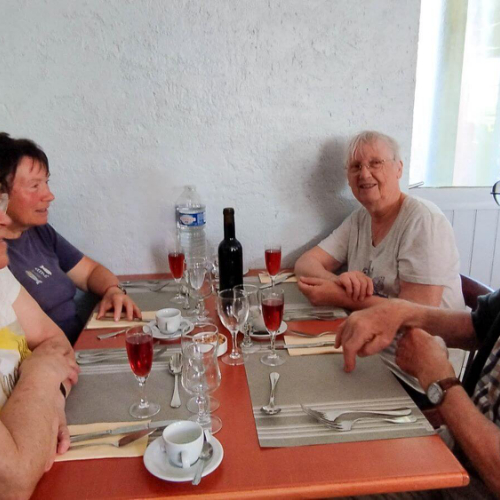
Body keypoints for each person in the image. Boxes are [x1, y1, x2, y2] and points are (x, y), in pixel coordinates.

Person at [294, 130, 464, 312]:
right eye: (356, 166)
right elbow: (305, 263)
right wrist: (338, 282)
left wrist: (342, 297)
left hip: (428, 331)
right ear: (348, 179)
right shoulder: (359, 219)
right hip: (374, 325)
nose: (364, 174)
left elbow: (418, 313)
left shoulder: (424, 220)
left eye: (375, 163)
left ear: (399, 168)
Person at [0, 133, 142, 344]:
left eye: (46, 182)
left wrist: (112, 291)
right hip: (53, 356)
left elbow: (90, 272)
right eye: (34, 186)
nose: (49, 195)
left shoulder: (39, 232)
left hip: (81, 345)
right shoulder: (3, 258)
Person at [0, 189, 80, 499]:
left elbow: (57, 345)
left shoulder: (1, 276)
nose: (4, 219)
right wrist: (42, 375)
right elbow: (14, 479)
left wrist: (52, 403)